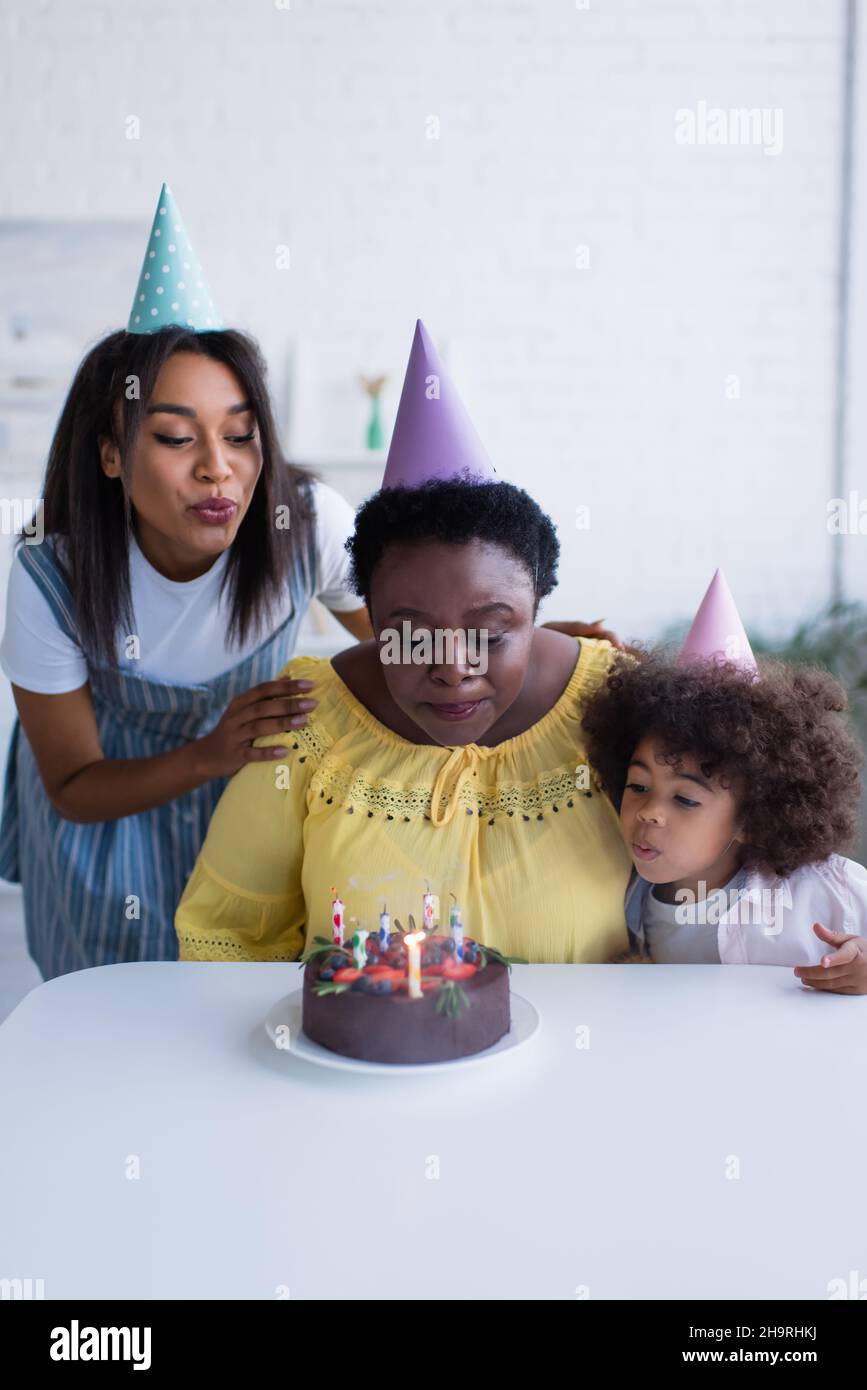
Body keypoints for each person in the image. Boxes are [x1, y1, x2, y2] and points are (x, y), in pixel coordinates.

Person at [0, 185, 371, 978]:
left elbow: (410, 647)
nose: (218, 466)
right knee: (111, 1020)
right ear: (109, 454)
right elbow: (71, 784)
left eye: (240, 435)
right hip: (104, 823)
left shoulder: (305, 526)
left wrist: (531, 645)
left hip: (247, 815)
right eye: (175, 436)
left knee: (236, 1015)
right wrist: (208, 753)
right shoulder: (50, 577)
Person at [175, 322, 634, 963]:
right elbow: (227, 939)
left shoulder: (621, 708)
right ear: (368, 615)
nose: (452, 669)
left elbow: (722, 898)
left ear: (538, 614)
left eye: (492, 633)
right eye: (410, 635)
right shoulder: (305, 723)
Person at [580, 570, 867, 993]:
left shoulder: (827, 890)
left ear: (752, 817)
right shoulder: (625, 893)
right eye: (638, 786)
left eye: (686, 799)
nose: (649, 813)